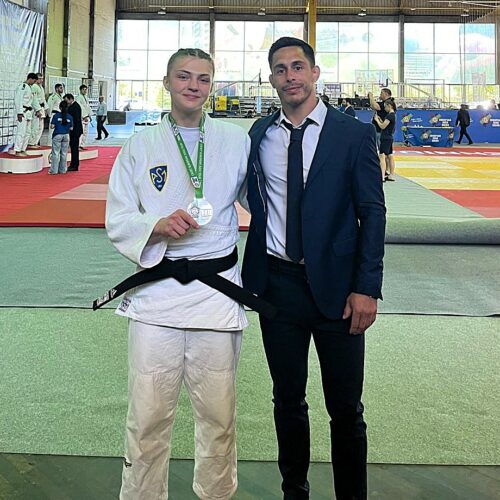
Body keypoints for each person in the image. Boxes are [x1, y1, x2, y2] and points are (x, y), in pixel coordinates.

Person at [103, 48, 253, 500]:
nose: (193, 85)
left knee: (219, 418)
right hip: (157, 297)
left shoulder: (235, 141)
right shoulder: (140, 146)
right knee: (147, 417)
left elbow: (264, 203)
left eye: (203, 79)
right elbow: (118, 216)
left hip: (216, 296)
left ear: (211, 86)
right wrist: (155, 226)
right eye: (184, 77)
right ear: (166, 83)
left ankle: (216, 494)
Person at [242, 37, 386, 500]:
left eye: (298, 66)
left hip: (340, 292)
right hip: (277, 287)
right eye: (280, 69)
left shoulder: (352, 134)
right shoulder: (259, 134)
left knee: (346, 409)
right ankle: (294, 491)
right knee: (287, 400)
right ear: (271, 79)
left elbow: (372, 212)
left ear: (315, 72)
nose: (290, 77)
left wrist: (367, 287)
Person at [11, 73, 39, 156]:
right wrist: (19, 112)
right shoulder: (22, 86)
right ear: (30, 79)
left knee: (28, 132)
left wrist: (37, 110)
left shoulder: (29, 88)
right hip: (22, 112)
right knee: (21, 132)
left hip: (28, 112)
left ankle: (23, 149)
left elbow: (32, 101)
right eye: (34, 81)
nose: (34, 83)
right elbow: (18, 100)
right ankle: (17, 150)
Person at [374, 100, 397, 181]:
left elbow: (382, 127)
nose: (384, 108)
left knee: (382, 156)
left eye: (385, 106)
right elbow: (386, 125)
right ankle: (391, 175)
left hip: (385, 138)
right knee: (390, 155)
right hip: (389, 137)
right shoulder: (393, 115)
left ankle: (382, 176)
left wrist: (376, 120)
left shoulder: (389, 116)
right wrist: (380, 120)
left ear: (389, 106)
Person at [49, 100, 73, 175]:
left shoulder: (56, 116)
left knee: (55, 153)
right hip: (66, 136)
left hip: (57, 135)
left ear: (60, 107)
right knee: (64, 153)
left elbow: (52, 126)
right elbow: (71, 128)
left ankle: (54, 170)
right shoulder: (70, 117)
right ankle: (63, 170)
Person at [64, 94, 83, 171]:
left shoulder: (75, 107)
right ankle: (73, 164)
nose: (66, 102)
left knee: (74, 148)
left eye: (67, 100)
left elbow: (76, 119)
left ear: (71, 99)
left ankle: (74, 165)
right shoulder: (73, 106)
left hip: (75, 130)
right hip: (74, 130)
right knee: (73, 147)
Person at [28, 73, 47, 148]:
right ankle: (31, 143)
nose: (41, 80)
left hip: (41, 107)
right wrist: (37, 110)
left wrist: (45, 109)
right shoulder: (34, 87)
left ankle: (35, 142)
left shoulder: (41, 87)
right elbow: (34, 99)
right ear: (36, 79)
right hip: (36, 109)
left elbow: (43, 99)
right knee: (35, 126)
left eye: (42, 78)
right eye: (39, 78)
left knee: (40, 127)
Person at [75, 84, 93, 149]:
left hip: (86, 116)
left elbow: (87, 107)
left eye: (86, 89)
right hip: (82, 117)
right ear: (80, 90)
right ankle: (78, 145)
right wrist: (84, 116)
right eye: (83, 89)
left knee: (85, 132)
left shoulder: (86, 97)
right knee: (81, 132)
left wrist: (89, 115)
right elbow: (80, 107)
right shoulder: (78, 97)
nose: (85, 91)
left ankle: (82, 145)